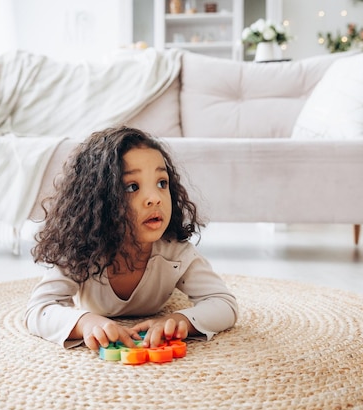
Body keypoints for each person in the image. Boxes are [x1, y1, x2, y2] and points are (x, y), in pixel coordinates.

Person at [25, 125, 238, 350]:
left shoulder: (175, 252)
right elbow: (39, 310)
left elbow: (224, 304)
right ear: (98, 200)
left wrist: (179, 320)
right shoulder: (81, 252)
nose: (154, 198)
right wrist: (85, 323)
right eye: (132, 187)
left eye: (161, 183)